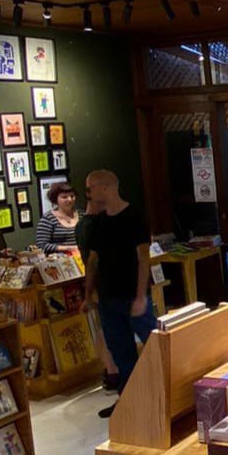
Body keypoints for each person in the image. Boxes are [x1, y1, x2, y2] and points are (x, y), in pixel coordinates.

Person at [82, 170, 156, 419]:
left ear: (105, 187)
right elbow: (93, 261)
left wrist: (141, 295)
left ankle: (161, 397)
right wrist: (88, 295)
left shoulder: (134, 217)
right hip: (108, 297)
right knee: (121, 352)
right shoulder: (99, 222)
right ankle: (128, 400)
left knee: (153, 345)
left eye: (90, 188)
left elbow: (143, 257)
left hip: (132, 295)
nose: (88, 194)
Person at [76, 194, 120, 394]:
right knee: (108, 329)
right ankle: (114, 372)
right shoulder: (99, 225)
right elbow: (93, 261)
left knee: (103, 328)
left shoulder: (83, 226)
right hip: (108, 285)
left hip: (102, 286)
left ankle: (112, 373)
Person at [35, 182, 80, 253]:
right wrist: (70, 248)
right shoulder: (48, 219)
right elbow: (42, 245)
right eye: (64, 197)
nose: (69, 199)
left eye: (72, 196)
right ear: (56, 199)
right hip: (59, 258)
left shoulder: (82, 215)